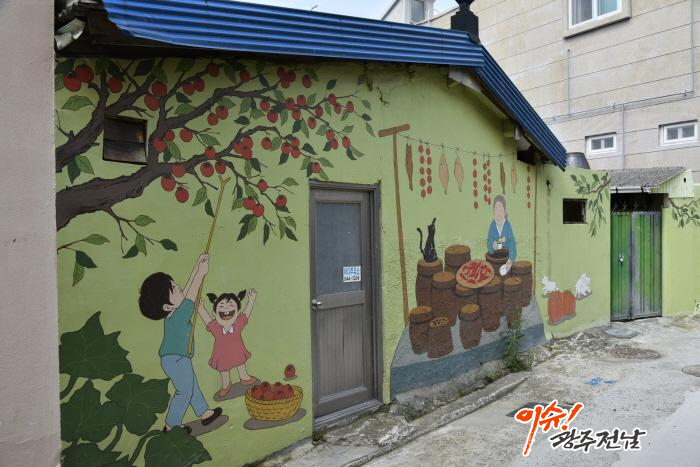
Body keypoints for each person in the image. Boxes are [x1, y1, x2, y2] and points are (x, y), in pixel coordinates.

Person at [138, 254, 222, 433]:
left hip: (177, 358)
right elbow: (190, 298)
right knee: (184, 391)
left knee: (192, 385)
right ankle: (171, 425)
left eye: (175, 284)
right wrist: (200, 274)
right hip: (175, 359)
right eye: (174, 288)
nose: (178, 286)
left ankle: (204, 412)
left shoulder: (173, 313)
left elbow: (186, 294)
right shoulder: (178, 317)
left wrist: (198, 266)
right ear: (167, 307)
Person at [198, 289, 258, 398]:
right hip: (221, 354)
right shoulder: (215, 327)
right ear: (214, 313)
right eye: (221, 306)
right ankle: (226, 384)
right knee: (223, 368)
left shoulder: (238, 323)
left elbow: (246, 314)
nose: (226, 309)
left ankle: (244, 377)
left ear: (238, 312)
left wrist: (251, 300)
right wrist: (201, 309)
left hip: (237, 349)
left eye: (230, 306)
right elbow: (207, 320)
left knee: (240, 362)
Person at [486, 195, 517, 275]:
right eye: (496, 208)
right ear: (493, 211)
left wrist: (510, 260)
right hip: (494, 260)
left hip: (506, 261)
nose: (498, 211)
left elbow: (512, 244)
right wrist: (492, 245)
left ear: (504, 210)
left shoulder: (507, 225)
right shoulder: (493, 225)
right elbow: (489, 241)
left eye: (500, 207)